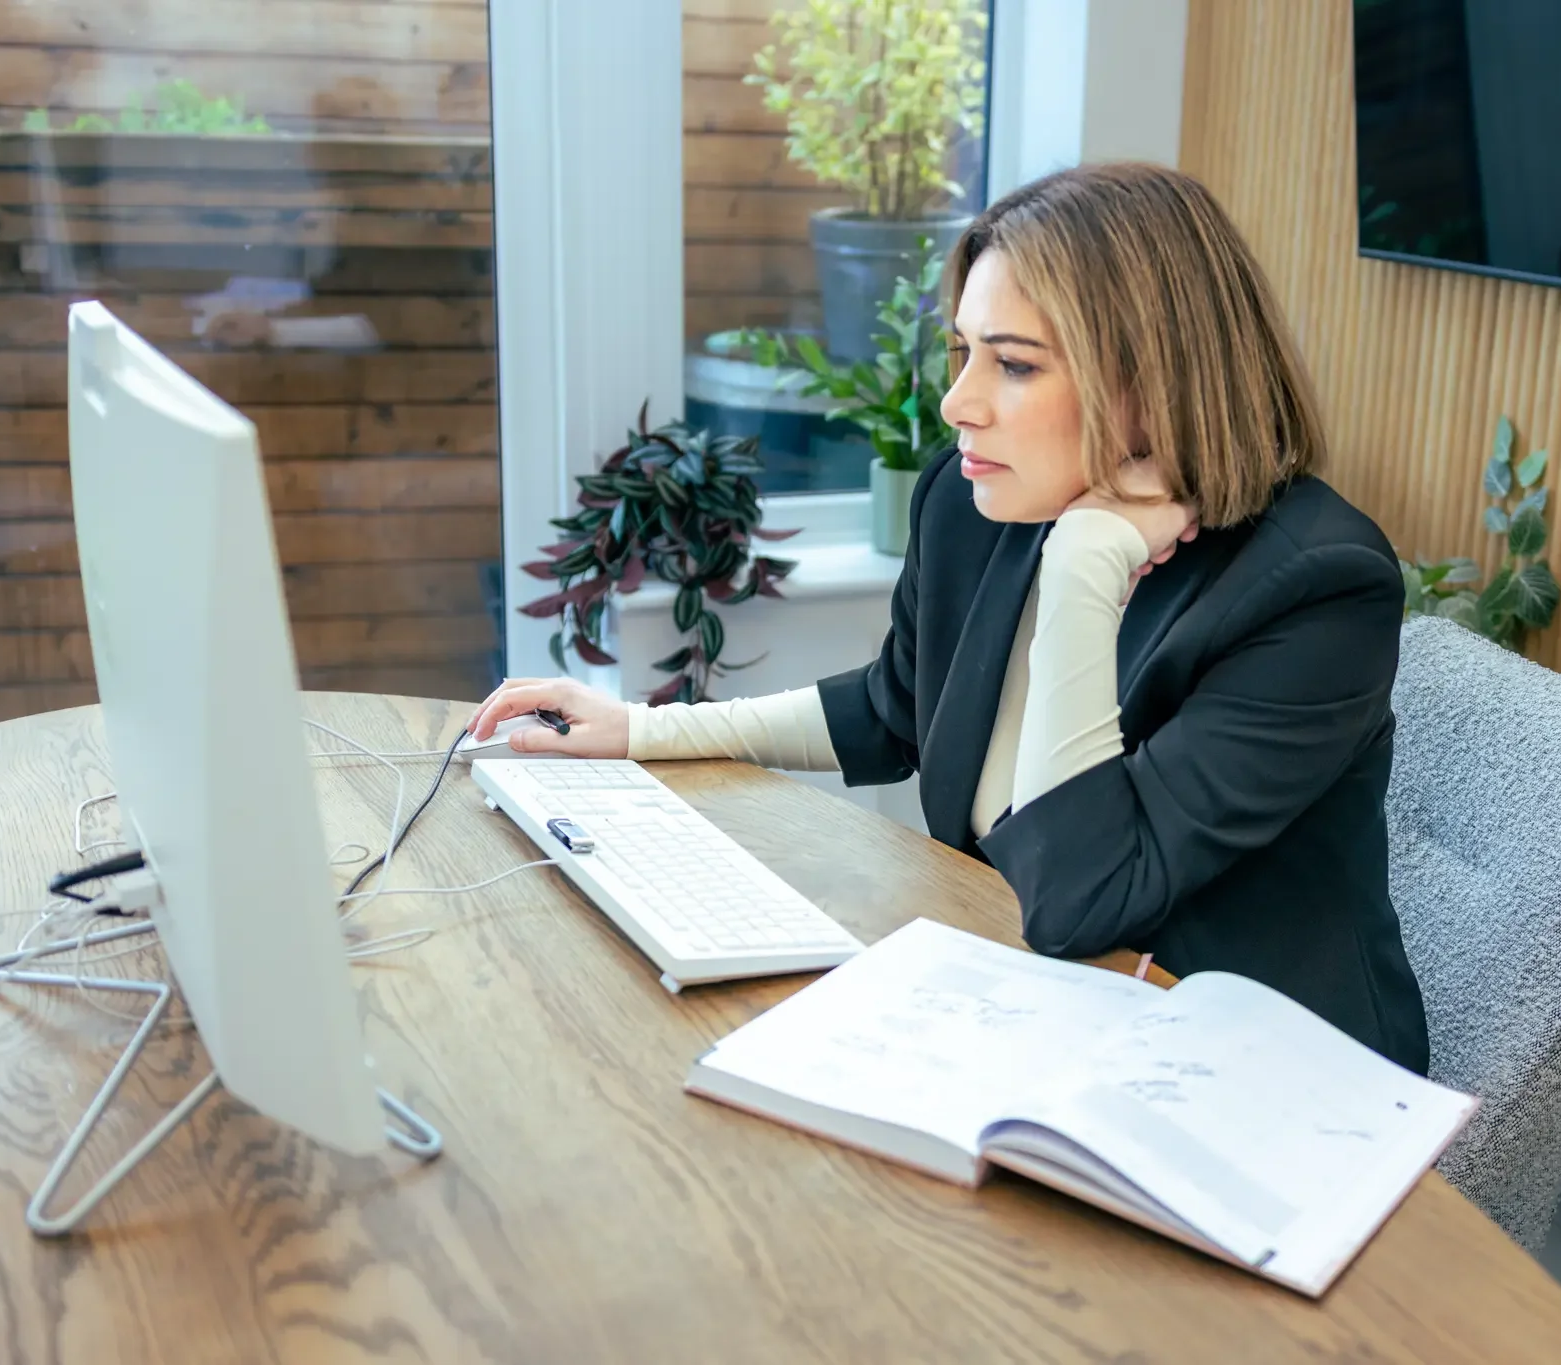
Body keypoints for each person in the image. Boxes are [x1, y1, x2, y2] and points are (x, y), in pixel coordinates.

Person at [469, 163, 1430, 1074]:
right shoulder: (977, 505)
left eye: (1013, 365)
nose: (957, 401)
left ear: (1157, 377)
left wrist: (1087, 570)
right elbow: (896, 707)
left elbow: (1081, 895)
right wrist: (640, 730)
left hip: (1259, 1082)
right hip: (1045, 1013)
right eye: (966, 351)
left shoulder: (1317, 587)